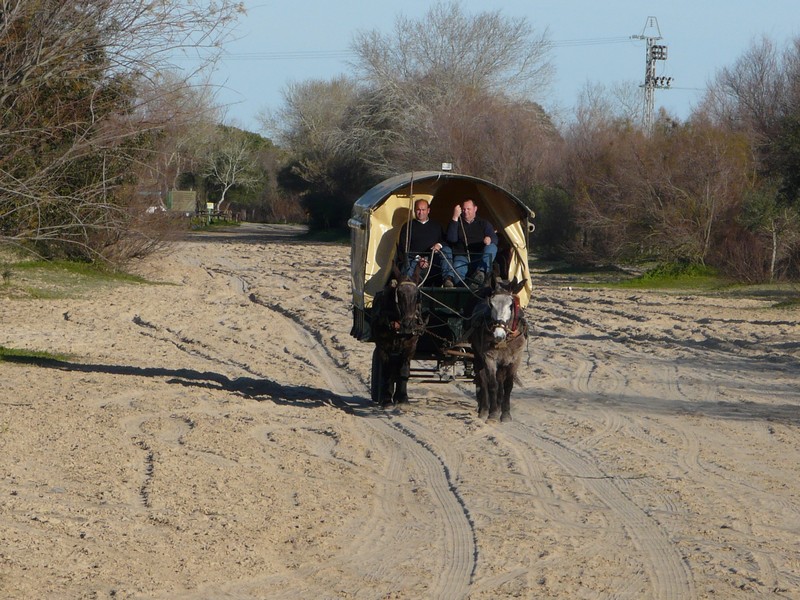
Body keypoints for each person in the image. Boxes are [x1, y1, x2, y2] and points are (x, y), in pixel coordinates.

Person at [397, 199, 454, 285]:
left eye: (423, 210)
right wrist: (419, 259)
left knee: (447, 250)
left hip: (433, 258)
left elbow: (445, 241)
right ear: (415, 210)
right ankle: (406, 284)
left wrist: (439, 245)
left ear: (428, 210)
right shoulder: (407, 227)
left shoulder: (436, 225)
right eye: (418, 210)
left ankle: (448, 279)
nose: (421, 212)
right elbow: (403, 248)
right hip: (414, 259)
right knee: (407, 265)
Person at [446, 198, 497, 287]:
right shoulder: (456, 223)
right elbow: (451, 239)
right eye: (464, 209)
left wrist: (489, 239)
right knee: (458, 266)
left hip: (479, 257)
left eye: (468, 209)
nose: (465, 212)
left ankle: (480, 273)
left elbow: (495, 238)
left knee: (492, 247)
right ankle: (462, 291)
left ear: (475, 209)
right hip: (462, 256)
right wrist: (455, 217)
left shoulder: (484, 223)